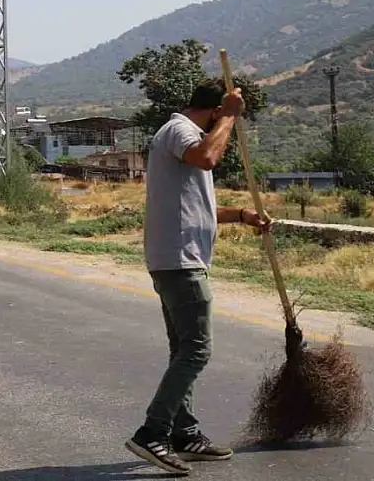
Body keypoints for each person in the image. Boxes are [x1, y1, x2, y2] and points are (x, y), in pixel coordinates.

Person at [124, 79, 271, 475]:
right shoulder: (181, 132)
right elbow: (208, 158)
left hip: (181, 260)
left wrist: (241, 215)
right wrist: (229, 118)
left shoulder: (186, 138)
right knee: (196, 350)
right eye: (222, 116)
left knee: (183, 350)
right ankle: (152, 432)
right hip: (180, 261)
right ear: (214, 110)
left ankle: (183, 434)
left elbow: (196, 205)